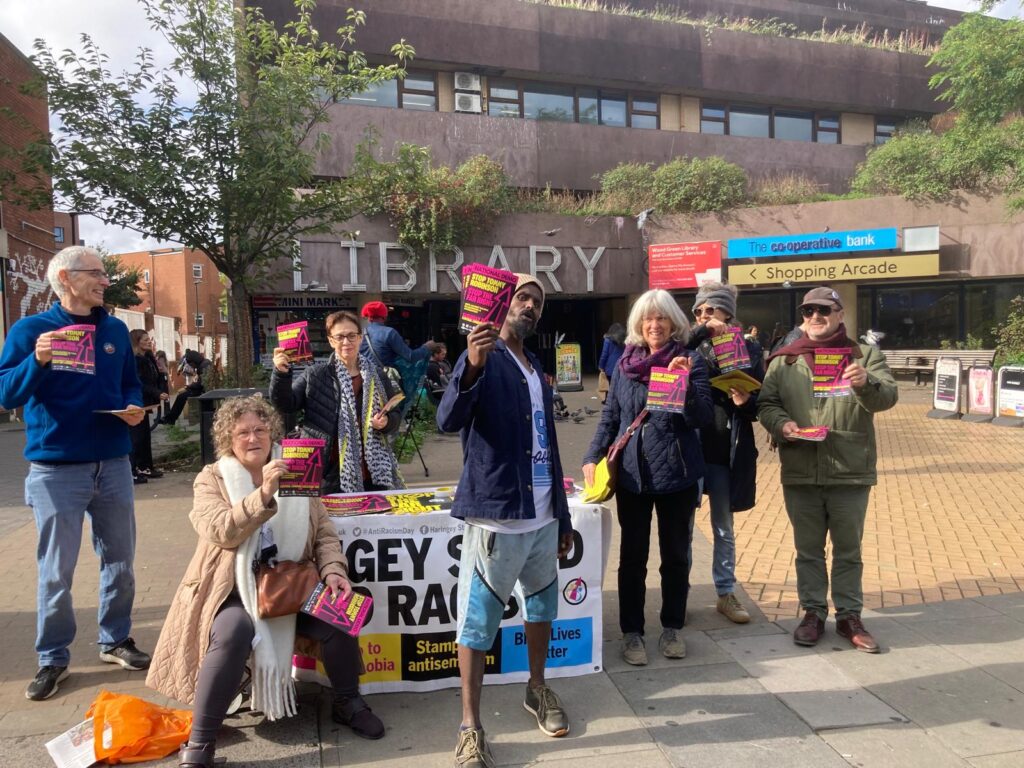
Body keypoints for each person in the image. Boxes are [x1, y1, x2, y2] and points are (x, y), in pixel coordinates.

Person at [146, 396, 383, 768]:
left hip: (291, 584)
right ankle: (200, 742)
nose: (253, 438)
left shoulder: (297, 466)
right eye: (242, 432)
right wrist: (264, 494)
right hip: (233, 588)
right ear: (229, 439)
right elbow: (219, 530)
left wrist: (334, 570)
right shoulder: (212, 477)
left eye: (260, 429)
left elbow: (323, 532)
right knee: (233, 633)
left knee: (340, 614)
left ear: (271, 431)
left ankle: (347, 702)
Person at [0, 245, 151, 701]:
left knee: (121, 561)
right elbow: (7, 394)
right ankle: (53, 658)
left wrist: (133, 407)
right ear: (65, 278)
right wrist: (38, 361)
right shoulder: (30, 330)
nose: (105, 281)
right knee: (55, 571)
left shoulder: (115, 331)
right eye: (97, 274)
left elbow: (129, 383)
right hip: (55, 468)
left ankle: (116, 639)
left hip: (114, 461)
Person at [437, 274, 575, 768]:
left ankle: (536, 688)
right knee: (477, 625)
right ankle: (470, 726)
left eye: (537, 301)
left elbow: (549, 447)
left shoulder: (535, 367)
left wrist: (561, 516)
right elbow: (447, 420)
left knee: (542, 610)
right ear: (500, 304)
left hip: (539, 519)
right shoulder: (484, 356)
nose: (531, 307)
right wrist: (471, 365)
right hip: (496, 520)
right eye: (522, 297)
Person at [758, 286, 898, 653]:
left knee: (848, 550)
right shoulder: (784, 361)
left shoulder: (864, 355)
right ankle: (813, 613)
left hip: (849, 468)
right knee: (808, 549)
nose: (815, 317)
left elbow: (888, 398)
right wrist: (781, 425)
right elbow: (767, 404)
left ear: (839, 315)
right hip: (801, 467)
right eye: (808, 311)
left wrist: (866, 383)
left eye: (823, 310)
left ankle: (849, 616)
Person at [582, 289, 713, 667]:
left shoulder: (689, 361)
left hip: (677, 473)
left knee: (675, 556)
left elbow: (701, 417)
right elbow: (611, 417)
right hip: (632, 475)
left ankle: (672, 625)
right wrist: (592, 455)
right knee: (632, 556)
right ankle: (632, 632)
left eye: (662, 318)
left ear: (674, 323)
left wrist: (684, 386)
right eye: (647, 318)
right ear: (639, 324)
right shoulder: (625, 365)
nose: (654, 325)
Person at [689, 283, 764, 625]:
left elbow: (762, 405)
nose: (704, 317)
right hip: (688, 449)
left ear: (728, 315)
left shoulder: (749, 348)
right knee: (682, 528)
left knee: (723, 527)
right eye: (698, 312)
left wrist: (745, 402)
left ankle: (725, 592)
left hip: (724, 450)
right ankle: (679, 595)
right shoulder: (689, 345)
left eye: (710, 311)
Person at [270, 310, 403, 495]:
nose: (346, 342)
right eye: (340, 337)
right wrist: (280, 373)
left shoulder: (378, 375)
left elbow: (395, 415)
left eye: (351, 336)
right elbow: (285, 404)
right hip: (326, 471)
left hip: (373, 471)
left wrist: (387, 422)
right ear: (331, 341)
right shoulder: (316, 374)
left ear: (360, 338)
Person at [129, 329, 166, 483]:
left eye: (149, 339)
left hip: (147, 402)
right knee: (136, 438)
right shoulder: (135, 360)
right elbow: (140, 383)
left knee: (144, 436)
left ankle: (145, 466)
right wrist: (156, 392)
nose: (149, 342)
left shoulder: (148, 358)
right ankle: (134, 468)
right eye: (145, 340)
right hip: (137, 402)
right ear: (137, 342)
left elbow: (155, 377)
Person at [359, 301, 438, 370]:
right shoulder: (390, 332)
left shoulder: (360, 333)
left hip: (365, 380)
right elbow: (411, 357)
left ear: (369, 317)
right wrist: (427, 346)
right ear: (384, 316)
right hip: (384, 381)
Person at [155, 349, 207, 427]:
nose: (191, 366)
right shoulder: (203, 364)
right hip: (202, 389)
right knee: (181, 396)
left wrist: (190, 386)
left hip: (203, 391)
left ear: (194, 361)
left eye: (190, 364)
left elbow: (201, 384)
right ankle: (170, 418)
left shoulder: (204, 365)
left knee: (181, 397)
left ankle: (170, 419)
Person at [597, 322, 625, 404]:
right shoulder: (624, 340)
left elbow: (604, 354)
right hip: (622, 365)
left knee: (609, 384)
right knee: (619, 383)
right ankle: (619, 399)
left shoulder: (608, 340)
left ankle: (608, 400)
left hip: (610, 367)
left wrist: (601, 365)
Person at [154, 349, 171, 421]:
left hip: (161, 377)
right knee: (166, 396)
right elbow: (166, 369)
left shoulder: (159, 359)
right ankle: (167, 414)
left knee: (161, 396)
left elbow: (160, 369)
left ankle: (161, 415)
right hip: (165, 377)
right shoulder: (165, 360)